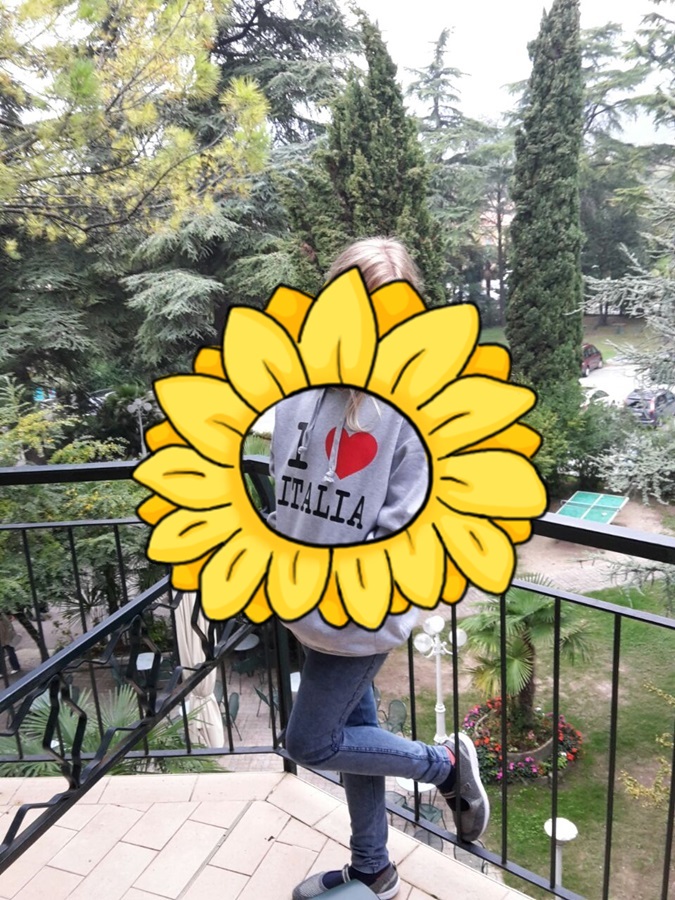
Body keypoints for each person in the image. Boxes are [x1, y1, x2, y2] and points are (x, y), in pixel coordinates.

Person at [266, 237, 490, 900]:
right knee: (353, 733)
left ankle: (443, 766)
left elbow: (400, 530)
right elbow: (287, 498)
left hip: (358, 615)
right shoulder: (296, 394)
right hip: (302, 605)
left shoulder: (412, 412)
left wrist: (331, 589)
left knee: (309, 742)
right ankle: (373, 868)